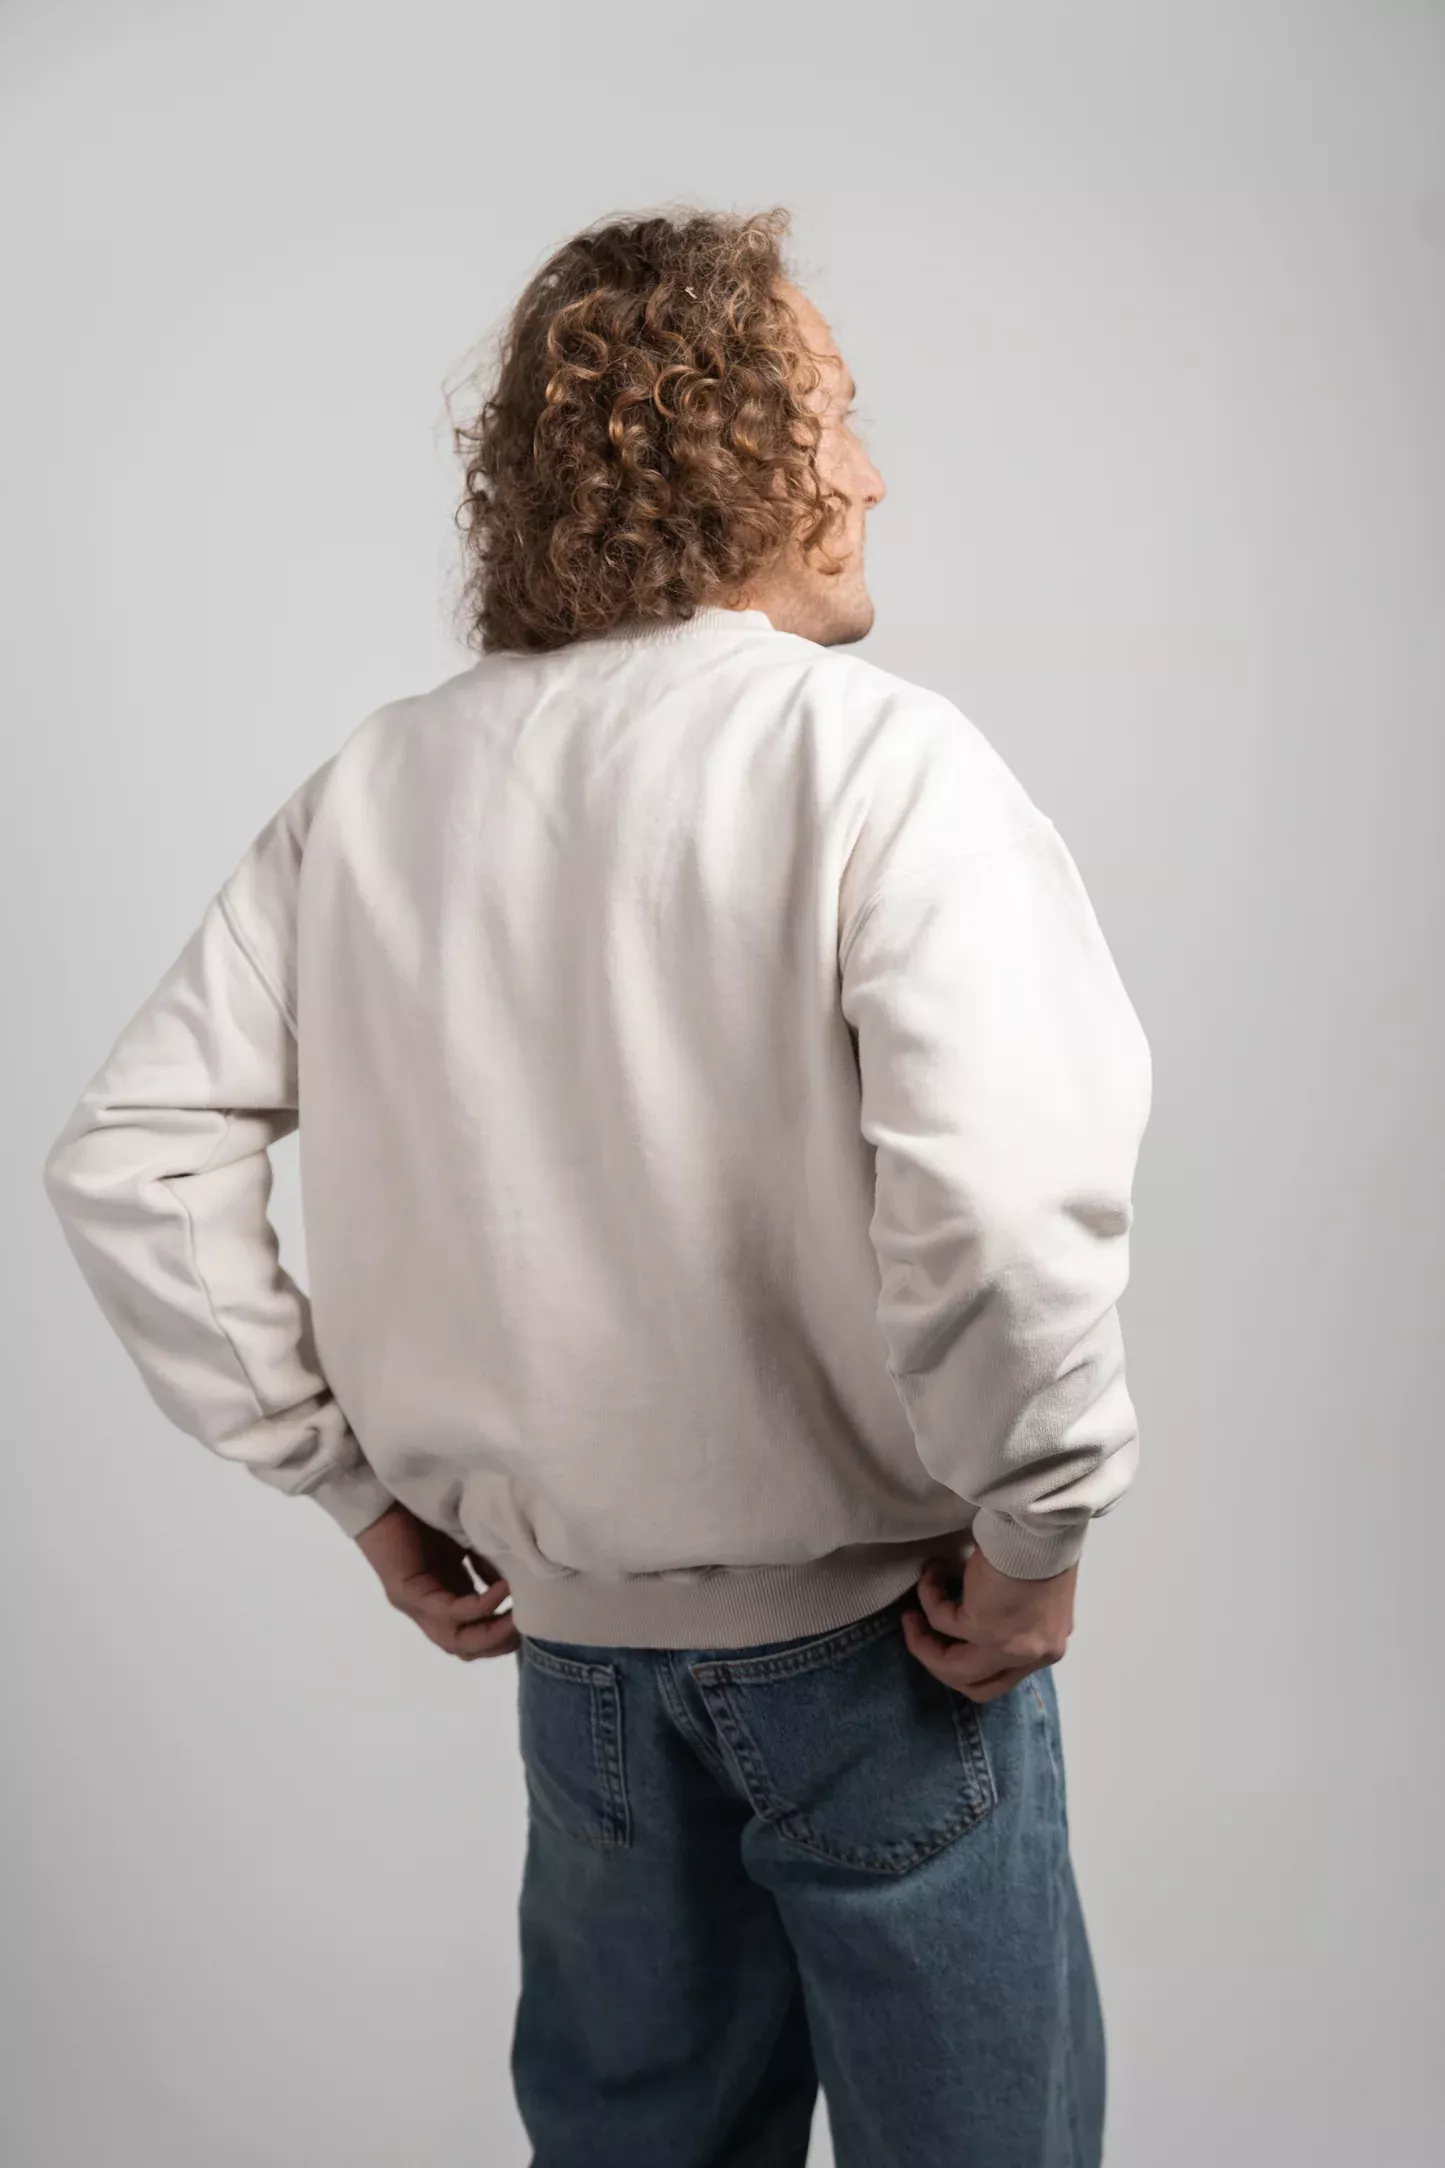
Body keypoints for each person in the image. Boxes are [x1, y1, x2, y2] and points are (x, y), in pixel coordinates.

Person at [42, 206, 1153, 2166]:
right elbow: (994, 1208)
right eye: (836, 411)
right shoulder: (877, 766)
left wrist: (351, 1484)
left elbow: (132, 1155)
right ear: (728, 437)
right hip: (883, 1658)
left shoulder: (380, 787)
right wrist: (1038, 1528)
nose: (872, 472)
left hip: (585, 1683)